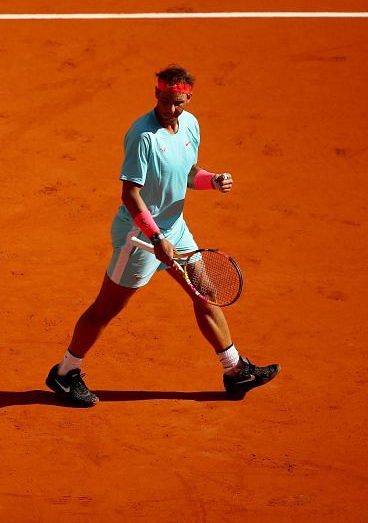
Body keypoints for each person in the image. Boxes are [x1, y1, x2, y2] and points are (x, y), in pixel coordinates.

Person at [46, 65, 279, 407]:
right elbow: (130, 193)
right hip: (138, 237)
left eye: (178, 102)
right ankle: (65, 373)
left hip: (175, 228)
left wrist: (211, 180)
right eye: (165, 100)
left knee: (206, 291)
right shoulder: (143, 136)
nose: (170, 108)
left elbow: (188, 172)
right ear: (156, 94)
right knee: (107, 308)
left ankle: (235, 371)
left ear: (188, 98)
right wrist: (155, 238)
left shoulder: (190, 125)